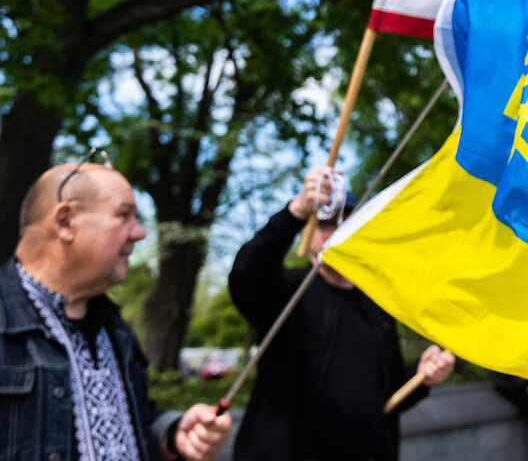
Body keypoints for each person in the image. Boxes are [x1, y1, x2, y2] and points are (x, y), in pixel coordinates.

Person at [1, 154, 232, 460]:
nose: (139, 233)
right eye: (124, 215)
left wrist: (173, 435)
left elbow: (134, 420)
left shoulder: (116, 330)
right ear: (65, 222)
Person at [228, 166, 455, 460]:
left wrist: (423, 376)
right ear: (308, 234)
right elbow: (247, 275)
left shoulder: (377, 305)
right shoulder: (286, 292)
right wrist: (296, 211)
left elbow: (389, 395)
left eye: (349, 222)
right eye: (326, 222)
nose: (338, 232)